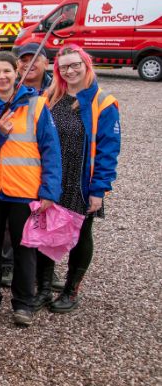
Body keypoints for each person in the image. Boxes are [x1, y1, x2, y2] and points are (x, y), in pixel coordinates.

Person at [0, 52, 61, 327]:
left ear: (17, 72)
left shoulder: (36, 106)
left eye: (7, 71)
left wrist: (49, 190)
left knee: (25, 248)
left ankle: (23, 303)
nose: (2, 77)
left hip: (24, 189)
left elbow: (51, 150)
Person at [39, 45, 120, 313]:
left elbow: (109, 149)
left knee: (81, 233)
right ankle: (42, 286)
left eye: (75, 65)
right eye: (64, 67)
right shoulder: (50, 97)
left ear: (86, 66)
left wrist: (100, 189)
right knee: (45, 230)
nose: (70, 71)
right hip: (52, 176)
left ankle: (71, 289)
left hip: (81, 180)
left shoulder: (103, 102)